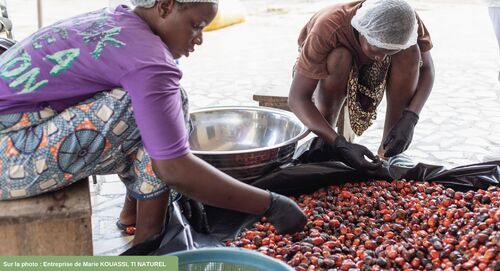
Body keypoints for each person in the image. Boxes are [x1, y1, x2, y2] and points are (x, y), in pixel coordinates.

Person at [0, 0, 307, 246]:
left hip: (19, 133)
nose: (199, 39)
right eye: (196, 26)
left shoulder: (118, 18)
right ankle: (150, 244)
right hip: (7, 156)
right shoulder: (150, 61)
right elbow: (173, 168)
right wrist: (270, 204)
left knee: (159, 108)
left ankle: (136, 222)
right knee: (155, 109)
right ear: (164, 7)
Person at [288, 0, 435, 173]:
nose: (380, 57)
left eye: (389, 51)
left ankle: (390, 152)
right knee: (339, 57)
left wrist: (410, 117)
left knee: (410, 52)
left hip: (373, 72)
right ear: (362, 31)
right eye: (376, 48)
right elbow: (297, 98)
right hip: (330, 69)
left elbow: (427, 70)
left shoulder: (404, 21)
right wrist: (339, 143)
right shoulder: (329, 26)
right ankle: (327, 142)